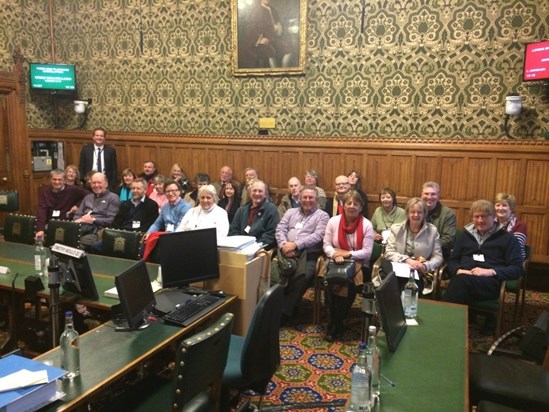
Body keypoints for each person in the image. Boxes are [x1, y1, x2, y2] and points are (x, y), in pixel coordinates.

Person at [443, 200, 523, 314]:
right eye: (476, 216)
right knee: (460, 282)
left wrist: (491, 271)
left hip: (489, 282)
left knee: (458, 284)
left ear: (494, 217)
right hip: (463, 276)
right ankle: (466, 319)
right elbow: (452, 260)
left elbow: (517, 269)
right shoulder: (464, 236)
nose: (480, 220)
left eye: (484, 216)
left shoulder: (508, 239)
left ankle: (445, 320)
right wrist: (458, 270)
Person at [323, 191, 374, 341]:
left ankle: (335, 325)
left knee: (348, 284)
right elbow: (326, 244)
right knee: (329, 283)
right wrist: (334, 254)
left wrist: (348, 255)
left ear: (361, 207)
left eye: (356, 204)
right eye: (349, 203)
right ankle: (334, 322)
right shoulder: (333, 221)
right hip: (335, 260)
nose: (352, 206)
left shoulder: (367, 225)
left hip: (358, 264)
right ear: (343, 205)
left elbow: (367, 252)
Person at [276, 185, 329, 323]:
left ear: (316, 200)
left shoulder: (323, 216)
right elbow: (280, 229)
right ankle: (274, 306)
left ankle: (284, 313)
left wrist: (296, 244)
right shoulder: (291, 212)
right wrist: (284, 245)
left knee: (303, 277)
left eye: (311, 197)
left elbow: (318, 236)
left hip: (309, 254)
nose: (307, 200)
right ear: (300, 199)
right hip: (285, 251)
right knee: (276, 273)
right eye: (304, 197)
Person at [383, 197, 444, 293]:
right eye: (412, 212)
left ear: (424, 214)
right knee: (392, 283)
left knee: (409, 288)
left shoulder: (432, 231)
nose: (416, 215)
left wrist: (425, 266)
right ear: (407, 213)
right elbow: (389, 252)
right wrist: (407, 260)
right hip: (398, 267)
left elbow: (438, 257)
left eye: (419, 212)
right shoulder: (396, 229)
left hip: (419, 271)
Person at [142, 180, 192, 260]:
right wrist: (148, 233)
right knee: (145, 241)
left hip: (178, 239)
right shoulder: (165, 207)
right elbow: (157, 224)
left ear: (179, 192)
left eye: (173, 191)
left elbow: (180, 228)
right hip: (165, 238)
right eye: (168, 191)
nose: (170, 193)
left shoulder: (186, 207)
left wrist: (166, 238)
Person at [35, 169, 89, 239]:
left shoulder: (73, 190)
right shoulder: (44, 191)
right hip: (50, 223)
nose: (57, 182)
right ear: (50, 180)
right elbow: (42, 210)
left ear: (64, 180)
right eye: (54, 179)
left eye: (60, 180)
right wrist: (40, 229)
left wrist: (77, 205)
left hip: (67, 224)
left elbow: (89, 195)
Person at [73, 172, 120, 249]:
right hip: (81, 227)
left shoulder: (113, 198)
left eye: (99, 182)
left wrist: (93, 220)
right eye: (94, 183)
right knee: (63, 239)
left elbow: (111, 220)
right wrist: (81, 219)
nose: (96, 185)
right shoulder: (87, 198)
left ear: (106, 184)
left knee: (78, 244)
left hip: (99, 231)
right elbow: (77, 215)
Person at [229, 180, 279, 250]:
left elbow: (270, 235)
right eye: (254, 190)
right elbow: (233, 231)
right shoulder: (241, 210)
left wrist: (255, 247)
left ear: (265, 194)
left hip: (260, 250)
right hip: (239, 249)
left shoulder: (271, 210)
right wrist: (239, 245)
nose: (257, 193)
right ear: (250, 193)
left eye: (260, 191)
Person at [244, 0, 293, 68]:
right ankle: (275, 74)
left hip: (274, 38)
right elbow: (251, 27)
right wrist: (259, 39)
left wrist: (278, 26)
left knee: (289, 50)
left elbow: (278, 22)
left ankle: (284, 72)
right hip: (264, 40)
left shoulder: (271, 9)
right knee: (271, 53)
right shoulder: (257, 10)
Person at [421, 181, 456, 259]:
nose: (429, 197)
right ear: (421, 195)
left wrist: (425, 247)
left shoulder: (448, 213)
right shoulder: (416, 211)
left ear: (438, 195)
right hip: (415, 253)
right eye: (426, 194)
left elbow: (448, 240)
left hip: (438, 255)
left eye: (433, 194)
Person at [494, 192, 527, 260]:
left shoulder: (520, 225)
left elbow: (515, 247)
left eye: (504, 205)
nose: (500, 208)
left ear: (511, 208)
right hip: (494, 258)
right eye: (498, 205)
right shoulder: (491, 223)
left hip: (513, 260)